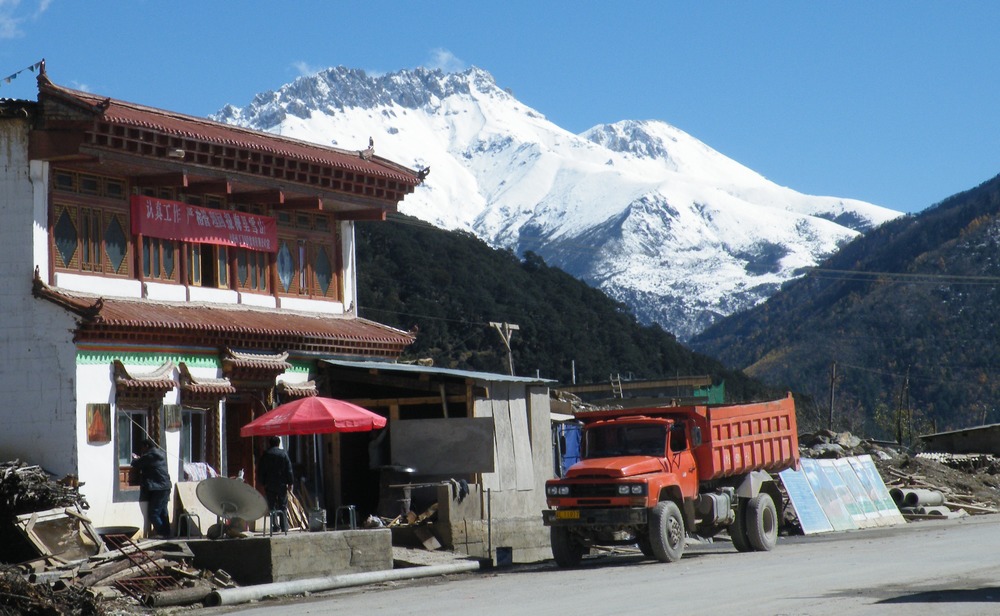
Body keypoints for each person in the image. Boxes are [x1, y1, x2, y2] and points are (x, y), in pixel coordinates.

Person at [131, 437, 172, 538]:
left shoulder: (151, 455)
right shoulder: (160, 453)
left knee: (153, 513)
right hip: (165, 486)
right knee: (163, 511)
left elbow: (136, 464)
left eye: (142, 448)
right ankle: (167, 534)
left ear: (146, 446)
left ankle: (162, 533)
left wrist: (136, 458)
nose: (142, 450)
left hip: (159, 487)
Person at [259, 436, 294, 532]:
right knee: (283, 505)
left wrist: (262, 482)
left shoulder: (266, 455)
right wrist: (290, 482)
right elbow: (289, 470)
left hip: (269, 484)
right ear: (278, 443)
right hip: (282, 484)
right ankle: (284, 526)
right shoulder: (283, 454)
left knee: (272, 506)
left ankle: (275, 525)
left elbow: (261, 470)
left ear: (270, 444)